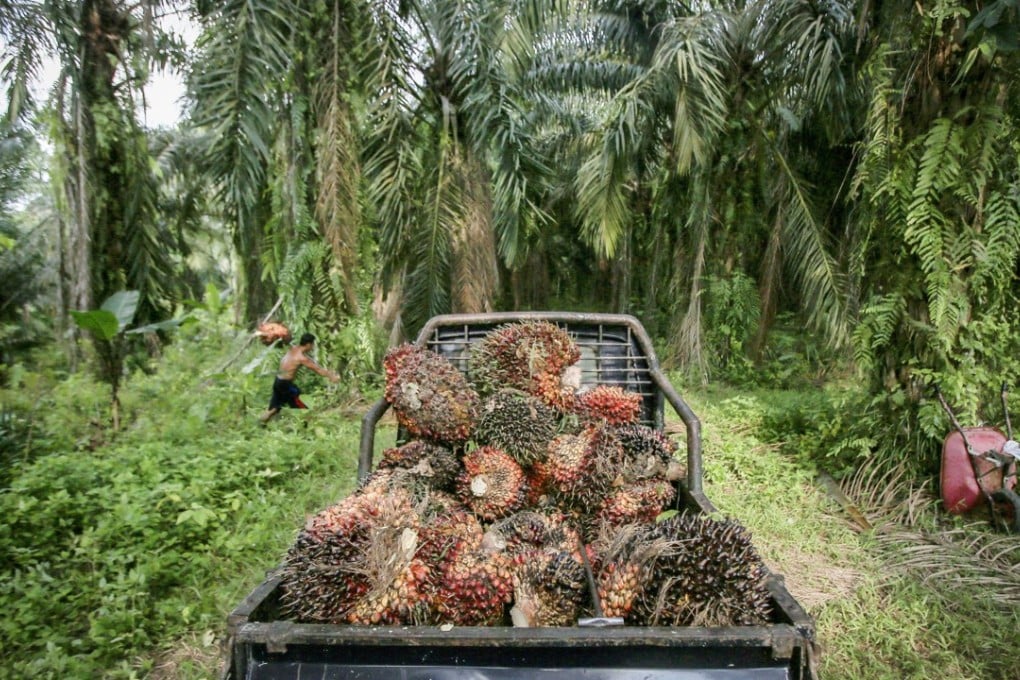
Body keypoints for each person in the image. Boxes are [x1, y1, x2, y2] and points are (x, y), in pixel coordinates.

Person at [259, 332, 339, 424]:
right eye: (312, 345)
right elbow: (317, 369)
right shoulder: (301, 358)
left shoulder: (293, 348)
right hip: (286, 385)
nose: (312, 348)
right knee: (304, 407)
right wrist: (332, 376)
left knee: (274, 409)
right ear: (308, 344)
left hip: (278, 381)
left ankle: (259, 424)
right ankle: (305, 431)